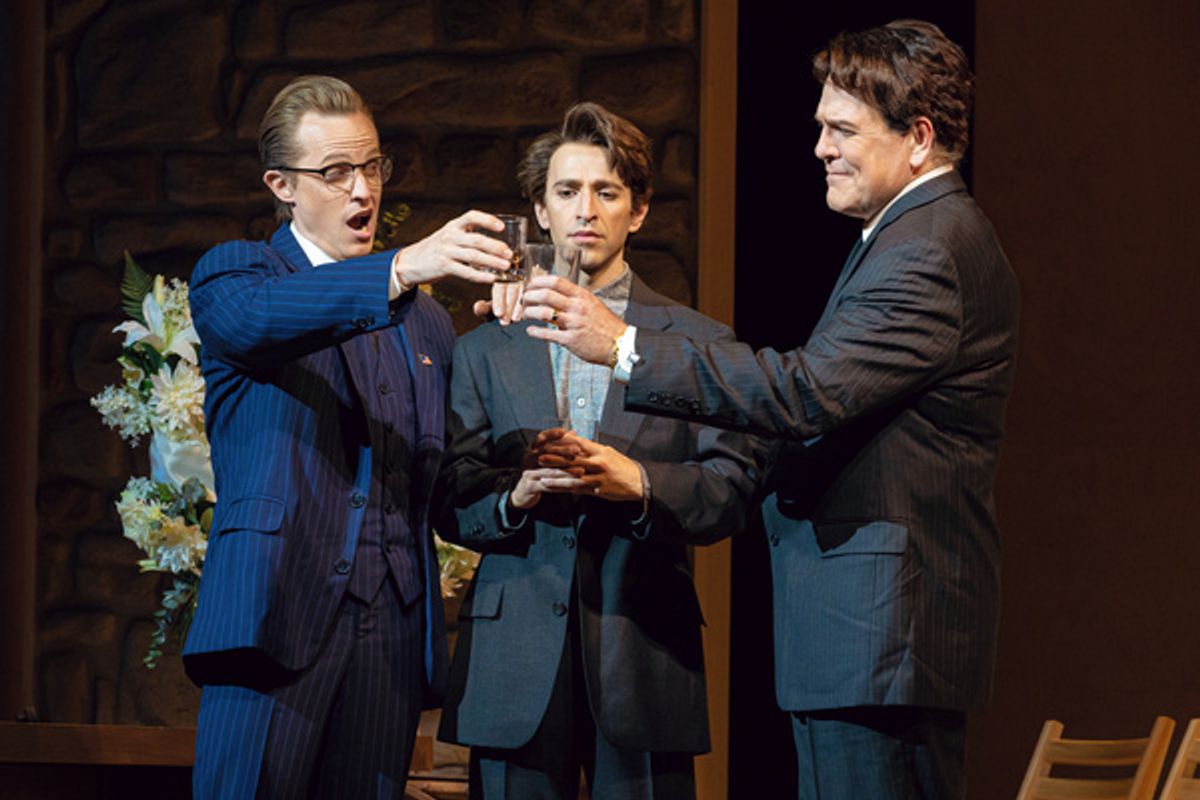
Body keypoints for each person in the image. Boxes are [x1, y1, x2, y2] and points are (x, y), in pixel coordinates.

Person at [520, 21, 1019, 800]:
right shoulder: (904, 238)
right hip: (866, 639)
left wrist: (624, 346)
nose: (820, 148)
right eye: (822, 127)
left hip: (885, 635)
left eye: (842, 129)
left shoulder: (928, 249)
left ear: (918, 138)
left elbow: (805, 394)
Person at [183, 74, 514, 799]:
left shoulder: (426, 323)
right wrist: (402, 266)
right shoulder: (237, 275)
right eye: (336, 172)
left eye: (372, 166)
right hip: (276, 615)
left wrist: (517, 488)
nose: (363, 190)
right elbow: (259, 323)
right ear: (283, 186)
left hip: (390, 632)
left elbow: (438, 480)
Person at [434, 102, 764, 799]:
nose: (586, 208)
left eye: (607, 191)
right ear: (540, 210)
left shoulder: (698, 342)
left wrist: (638, 483)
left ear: (637, 211)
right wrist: (514, 496)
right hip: (514, 656)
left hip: (645, 650)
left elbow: (732, 491)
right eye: (567, 191)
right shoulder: (485, 348)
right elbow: (450, 494)